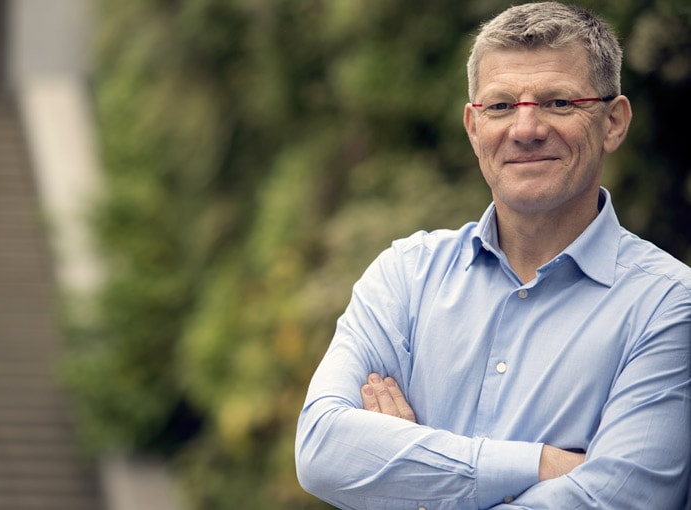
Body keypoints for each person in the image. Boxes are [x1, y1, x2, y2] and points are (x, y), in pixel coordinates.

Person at [295, 2, 691, 509]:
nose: (525, 129)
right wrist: (540, 465)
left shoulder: (669, 308)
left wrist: (409, 475)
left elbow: (620, 502)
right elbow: (322, 449)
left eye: (558, 103)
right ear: (473, 127)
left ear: (613, 122)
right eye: (501, 106)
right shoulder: (405, 276)